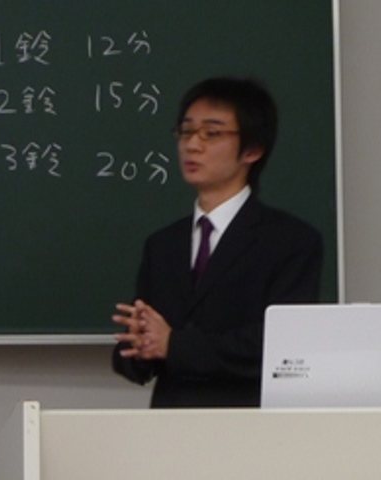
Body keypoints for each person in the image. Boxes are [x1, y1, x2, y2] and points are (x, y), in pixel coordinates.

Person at [112, 77, 323, 407]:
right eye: (186, 132)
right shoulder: (163, 245)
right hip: (170, 423)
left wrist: (174, 345)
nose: (192, 145)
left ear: (252, 150)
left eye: (211, 134)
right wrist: (138, 347)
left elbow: (280, 346)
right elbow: (144, 357)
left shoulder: (292, 241)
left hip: (249, 422)